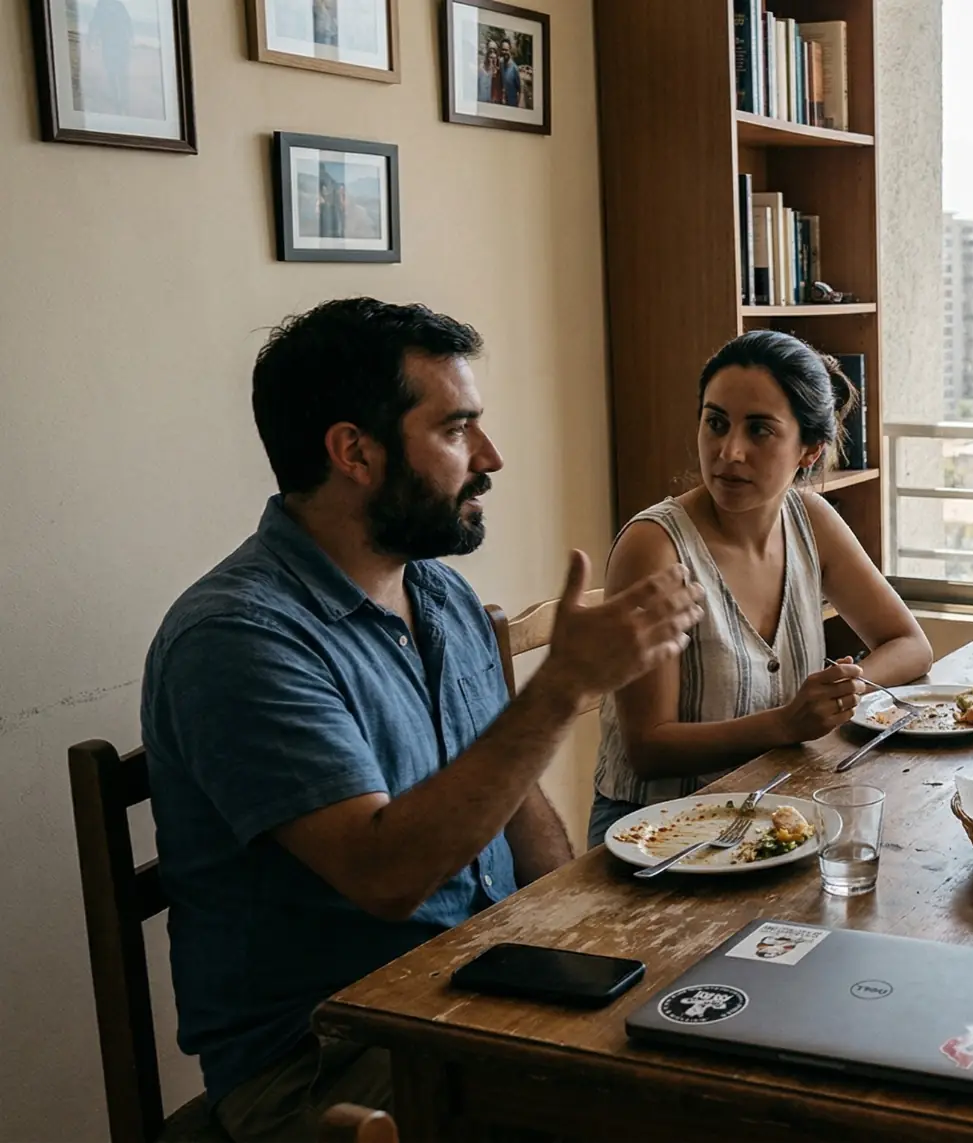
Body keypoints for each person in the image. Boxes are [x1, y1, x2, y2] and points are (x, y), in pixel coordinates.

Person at [142, 299, 704, 1141]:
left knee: (732, 1031)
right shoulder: (237, 639)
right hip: (329, 1058)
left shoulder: (434, 588)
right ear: (353, 452)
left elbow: (510, 801)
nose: (490, 457)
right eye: (456, 430)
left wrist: (589, 932)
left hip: (483, 984)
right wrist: (558, 688)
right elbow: (384, 876)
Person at [587, 330, 932, 846]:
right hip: (654, 834)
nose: (729, 451)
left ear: (809, 451)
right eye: (716, 423)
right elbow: (648, 748)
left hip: (772, 815)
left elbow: (911, 645)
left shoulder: (811, 518)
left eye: (760, 431)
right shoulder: (654, 548)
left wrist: (842, 692)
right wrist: (789, 722)